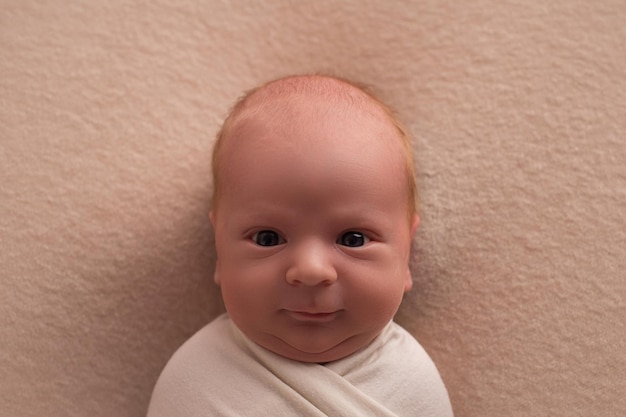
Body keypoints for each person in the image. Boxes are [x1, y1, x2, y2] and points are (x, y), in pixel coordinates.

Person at [147, 74, 453, 416]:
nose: (310, 270)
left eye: (353, 239)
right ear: (220, 253)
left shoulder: (410, 380)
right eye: (268, 238)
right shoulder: (195, 378)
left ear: (406, 256)